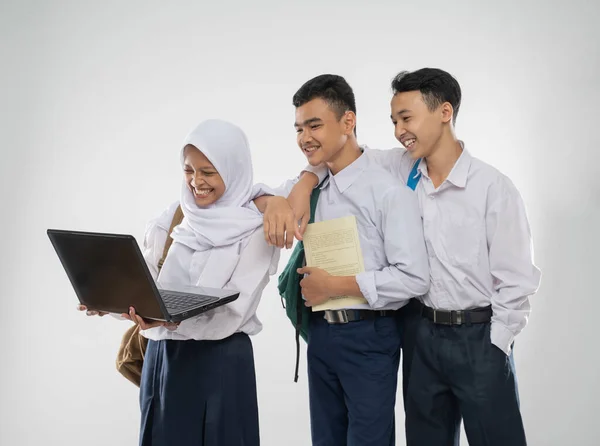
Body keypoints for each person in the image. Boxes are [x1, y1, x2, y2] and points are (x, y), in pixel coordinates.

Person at [268, 68, 542, 446]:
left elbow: (517, 278)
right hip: (421, 333)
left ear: (444, 112)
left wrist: (497, 344)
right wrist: (304, 182)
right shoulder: (401, 166)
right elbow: (337, 154)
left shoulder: (493, 188)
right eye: (394, 120)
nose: (399, 131)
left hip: (479, 336)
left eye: (407, 118)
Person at [79, 119, 279, 446]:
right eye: (189, 170)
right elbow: (144, 282)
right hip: (163, 362)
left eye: (208, 172)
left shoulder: (256, 228)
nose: (196, 182)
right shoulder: (173, 216)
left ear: (233, 169)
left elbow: (232, 314)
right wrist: (110, 301)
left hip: (220, 363)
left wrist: (167, 321)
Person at [254, 74, 430, 446]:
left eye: (315, 125)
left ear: (348, 122)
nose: (305, 138)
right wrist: (284, 198)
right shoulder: (313, 186)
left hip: (371, 335)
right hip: (320, 335)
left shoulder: (388, 192)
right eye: (299, 128)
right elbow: (250, 196)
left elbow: (414, 278)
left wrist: (336, 286)